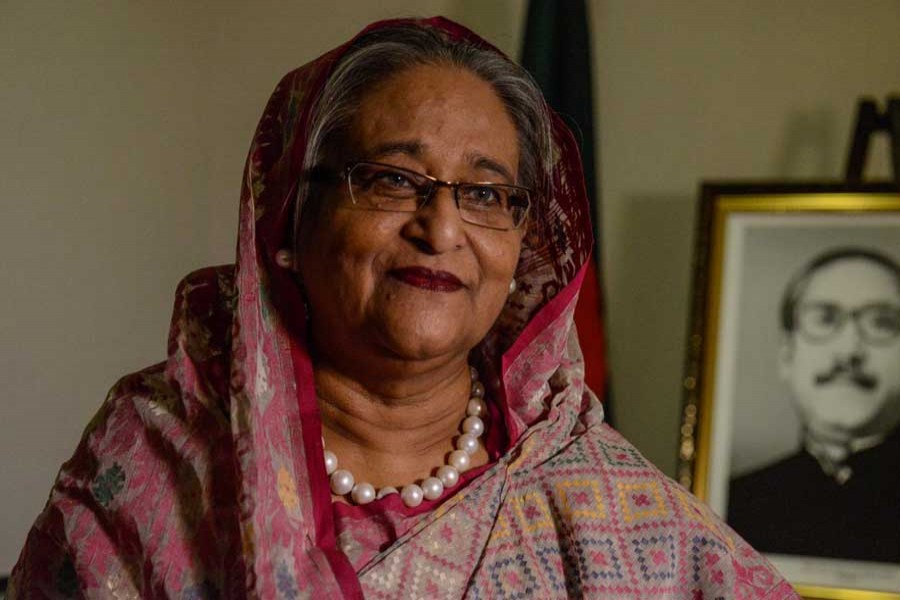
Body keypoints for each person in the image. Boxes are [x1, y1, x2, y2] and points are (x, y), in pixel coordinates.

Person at [10, 17, 795, 598]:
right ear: (290, 217)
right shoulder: (163, 448)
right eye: (391, 179)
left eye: (487, 194)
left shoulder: (592, 497)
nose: (442, 228)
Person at [728, 247, 900, 562]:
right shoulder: (733, 504)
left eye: (881, 323)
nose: (849, 350)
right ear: (786, 355)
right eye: (824, 319)